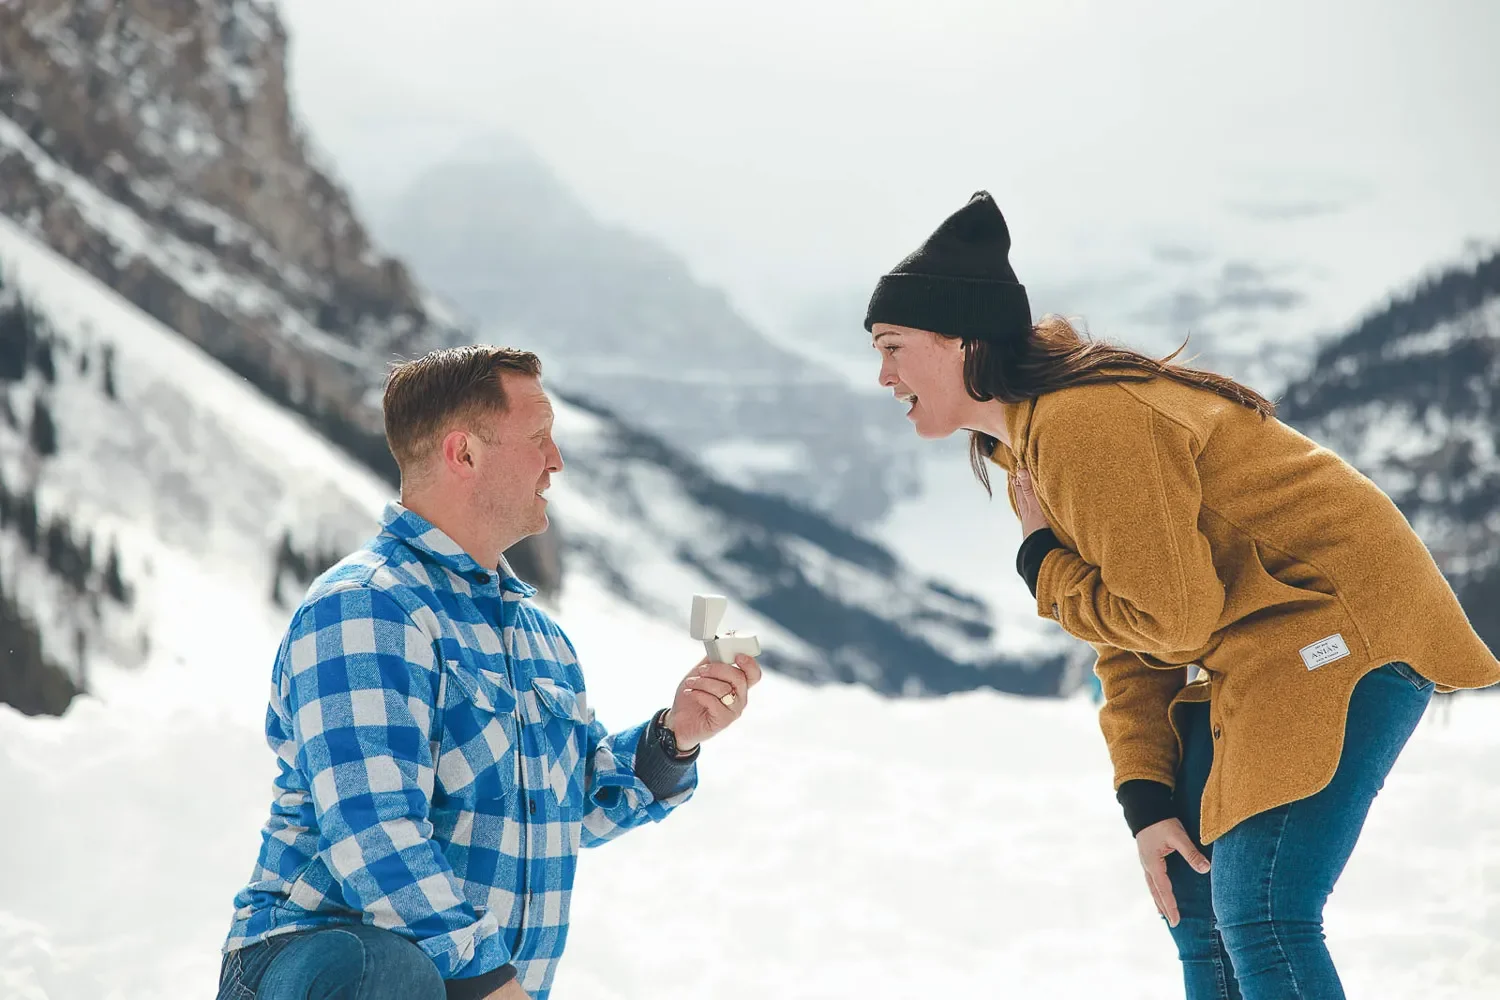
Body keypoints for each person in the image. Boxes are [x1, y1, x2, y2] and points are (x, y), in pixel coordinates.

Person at [863, 191, 1500, 999]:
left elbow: (1170, 619)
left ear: (963, 341)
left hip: (1335, 634)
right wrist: (1147, 796)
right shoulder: (1033, 447)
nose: (882, 375)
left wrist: (1042, 567)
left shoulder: (1083, 423)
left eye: (893, 347)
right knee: (1196, 913)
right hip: (1257, 652)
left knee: (1265, 913)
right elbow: (1130, 636)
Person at [217, 346, 762, 1000]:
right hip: (332, 971)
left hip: (470, 988)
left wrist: (676, 736)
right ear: (464, 454)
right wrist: (490, 982)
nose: (556, 460)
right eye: (538, 439)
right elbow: (374, 834)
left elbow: (567, 806)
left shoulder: (540, 640)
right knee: (392, 972)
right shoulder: (366, 608)